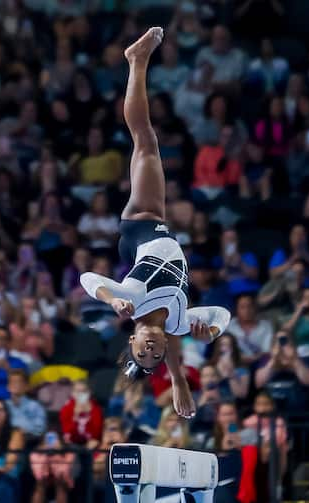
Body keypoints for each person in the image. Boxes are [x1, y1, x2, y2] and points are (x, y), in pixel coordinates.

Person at [80, 28, 231, 419]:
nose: (150, 348)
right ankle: (137, 62)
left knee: (144, 139)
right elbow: (221, 317)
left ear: (132, 339)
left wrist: (112, 299)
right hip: (158, 225)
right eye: (155, 352)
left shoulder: (133, 301)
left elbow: (87, 279)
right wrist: (208, 336)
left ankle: (136, 60)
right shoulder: (179, 323)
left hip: (141, 225)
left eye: (141, 349)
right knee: (144, 141)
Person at [255, 330, 309, 411]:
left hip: (299, 412)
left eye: (284, 341)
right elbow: (259, 383)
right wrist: (273, 360)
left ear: (293, 346)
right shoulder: (266, 360)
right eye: (278, 341)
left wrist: (294, 360)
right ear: (272, 346)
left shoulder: (303, 361)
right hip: (271, 413)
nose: (281, 345)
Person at [0, 399, 24, 502]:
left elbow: (10, 463)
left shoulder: (15, 432)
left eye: (0, 410)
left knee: (3, 486)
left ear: (6, 413)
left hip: (6, 473)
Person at [0, 326, 27, 403]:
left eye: (4, 338)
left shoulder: (18, 362)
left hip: (12, 404)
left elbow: (23, 386)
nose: (1, 342)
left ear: (9, 342)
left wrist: (8, 368)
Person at [228, 294, 274, 365]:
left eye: (249, 306)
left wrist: (254, 358)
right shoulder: (229, 326)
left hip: (260, 362)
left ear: (255, 308)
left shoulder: (266, 326)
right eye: (242, 307)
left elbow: (266, 350)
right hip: (235, 363)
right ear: (236, 309)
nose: (247, 310)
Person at [59, 379, 103, 448]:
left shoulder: (96, 409)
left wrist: (90, 413)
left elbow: (97, 434)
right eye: (77, 392)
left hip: (90, 442)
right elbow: (67, 433)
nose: (80, 395)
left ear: (89, 392)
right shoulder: (66, 409)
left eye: (83, 391)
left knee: (94, 444)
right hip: (72, 441)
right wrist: (76, 415)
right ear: (72, 393)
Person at [6, 369, 46, 444]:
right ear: (8, 387)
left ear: (27, 387)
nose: (16, 385)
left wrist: (22, 430)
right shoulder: (3, 406)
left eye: (19, 382)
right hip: (4, 440)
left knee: (17, 435)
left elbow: (40, 430)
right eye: (13, 382)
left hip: (28, 442)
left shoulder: (35, 406)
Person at [209, 334, 250, 400]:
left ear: (234, 348)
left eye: (229, 345)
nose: (225, 349)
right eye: (222, 345)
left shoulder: (242, 370)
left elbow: (241, 395)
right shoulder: (210, 367)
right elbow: (208, 389)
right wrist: (218, 372)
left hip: (234, 405)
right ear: (217, 347)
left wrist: (231, 373)